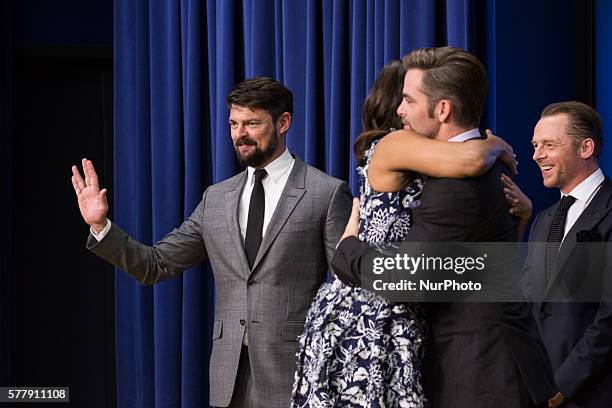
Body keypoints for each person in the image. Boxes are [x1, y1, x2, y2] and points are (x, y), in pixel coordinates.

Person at [70, 77, 354, 408]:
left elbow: (349, 283)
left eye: (252, 123)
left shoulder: (325, 192)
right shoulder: (216, 199)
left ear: (283, 123)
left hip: (296, 373)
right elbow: (155, 264)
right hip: (228, 379)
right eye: (233, 123)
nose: (239, 134)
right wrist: (101, 225)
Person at [291, 59, 526, 407]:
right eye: (402, 100)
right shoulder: (395, 144)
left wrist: (524, 214)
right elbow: (470, 161)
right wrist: (493, 145)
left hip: (404, 309)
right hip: (368, 309)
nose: (403, 110)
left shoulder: (437, 161)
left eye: (411, 100)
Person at [521, 101, 612, 408]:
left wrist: (561, 388)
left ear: (585, 147)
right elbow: (530, 305)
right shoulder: (543, 219)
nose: (537, 155)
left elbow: (609, 320)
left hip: (591, 395)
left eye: (549, 145)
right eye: (535, 145)